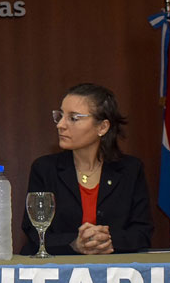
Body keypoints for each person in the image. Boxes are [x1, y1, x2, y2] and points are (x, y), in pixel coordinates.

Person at [22, 83, 153, 255]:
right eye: (60, 116)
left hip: (114, 268)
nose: (60, 125)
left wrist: (107, 240)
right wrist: (74, 243)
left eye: (73, 118)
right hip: (60, 266)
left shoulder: (130, 169)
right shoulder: (45, 169)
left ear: (102, 127)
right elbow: (34, 232)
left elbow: (142, 232)